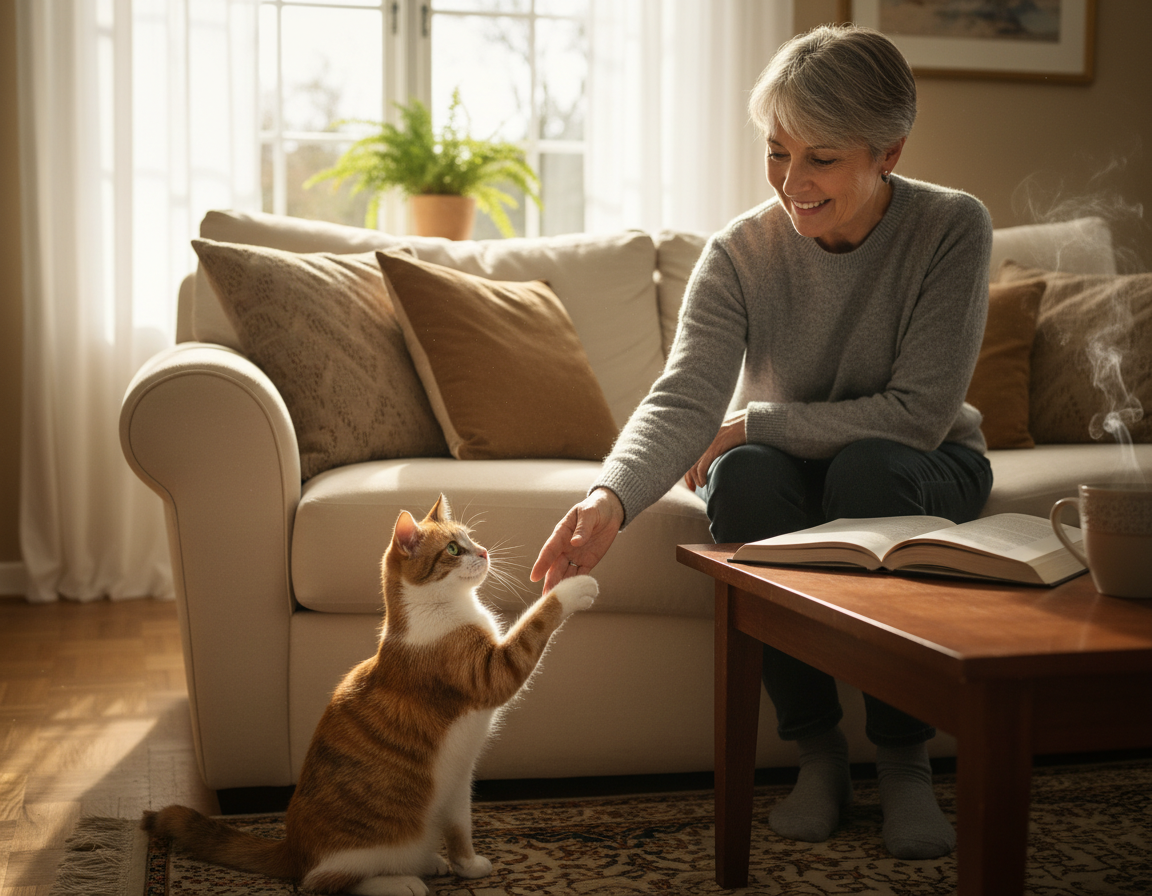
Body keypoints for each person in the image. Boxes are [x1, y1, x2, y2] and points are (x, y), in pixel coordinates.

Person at [531, 24, 994, 860]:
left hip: (924, 465)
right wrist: (609, 497)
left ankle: (902, 763)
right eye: (778, 153)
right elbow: (685, 398)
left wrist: (758, 419)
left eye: (821, 159)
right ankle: (818, 754)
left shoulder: (952, 228)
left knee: (864, 465)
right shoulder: (740, 253)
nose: (792, 182)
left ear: (888, 151)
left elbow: (920, 414)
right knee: (741, 477)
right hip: (798, 471)